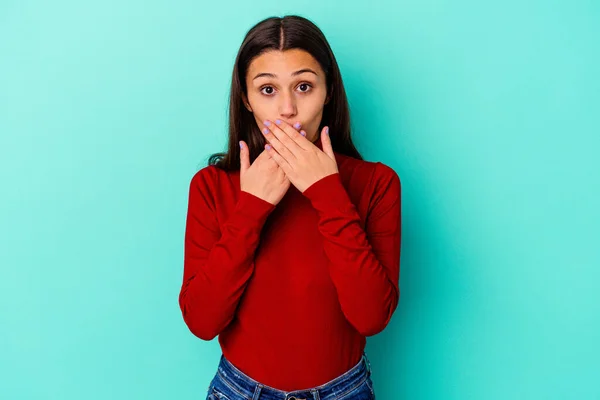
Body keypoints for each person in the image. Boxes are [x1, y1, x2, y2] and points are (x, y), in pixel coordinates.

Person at [179, 14, 401, 400]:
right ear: (246, 99)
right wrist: (251, 207)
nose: (287, 109)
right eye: (267, 90)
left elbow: (371, 316)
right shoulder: (212, 187)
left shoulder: (376, 184)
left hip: (343, 391)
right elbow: (202, 321)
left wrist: (327, 192)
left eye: (303, 86)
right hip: (239, 390)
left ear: (328, 91)